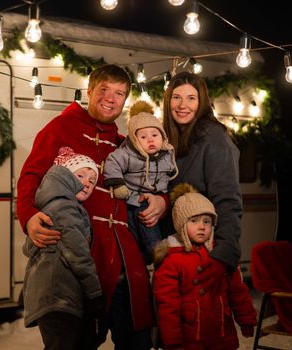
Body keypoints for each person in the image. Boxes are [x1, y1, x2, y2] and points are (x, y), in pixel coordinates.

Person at [17, 63, 162, 349]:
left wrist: (161, 201)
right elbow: (30, 176)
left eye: (119, 93)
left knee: (136, 340)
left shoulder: (125, 145)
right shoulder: (60, 128)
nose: (110, 98)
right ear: (89, 91)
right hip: (77, 253)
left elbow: (156, 180)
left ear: (125, 100)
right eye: (104, 89)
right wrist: (28, 217)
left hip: (122, 257)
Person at [162, 71, 243, 288]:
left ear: (202, 103)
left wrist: (223, 255)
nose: (182, 105)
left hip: (205, 251)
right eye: (176, 97)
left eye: (191, 98)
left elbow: (228, 200)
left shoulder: (214, 138)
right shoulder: (168, 138)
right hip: (177, 249)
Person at [152, 183, 257, 350]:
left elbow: (237, 290)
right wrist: (172, 340)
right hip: (190, 339)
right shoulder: (171, 260)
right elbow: (167, 305)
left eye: (207, 221)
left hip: (221, 335)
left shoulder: (219, 257)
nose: (202, 226)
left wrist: (246, 319)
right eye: (194, 221)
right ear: (181, 225)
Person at [22, 147, 106, 350]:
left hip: (49, 298)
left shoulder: (49, 205)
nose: (86, 182)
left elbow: (28, 250)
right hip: (60, 297)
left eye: (92, 180)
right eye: (80, 175)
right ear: (64, 177)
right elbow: (77, 255)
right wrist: (95, 293)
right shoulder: (65, 208)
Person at [103, 100, 178, 264]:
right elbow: (112, 162)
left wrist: (165, 193)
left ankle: (149, 254)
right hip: (132, 197)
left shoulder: (167, 153)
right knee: (142, 222)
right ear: (135, 141)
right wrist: (117, 184)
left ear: (162, 137)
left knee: (145, 222)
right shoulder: (128, 154)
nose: (150, 140)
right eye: (143, 137)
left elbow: (170, 175)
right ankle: (153, 249)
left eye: (155, 135)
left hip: (153, 198)